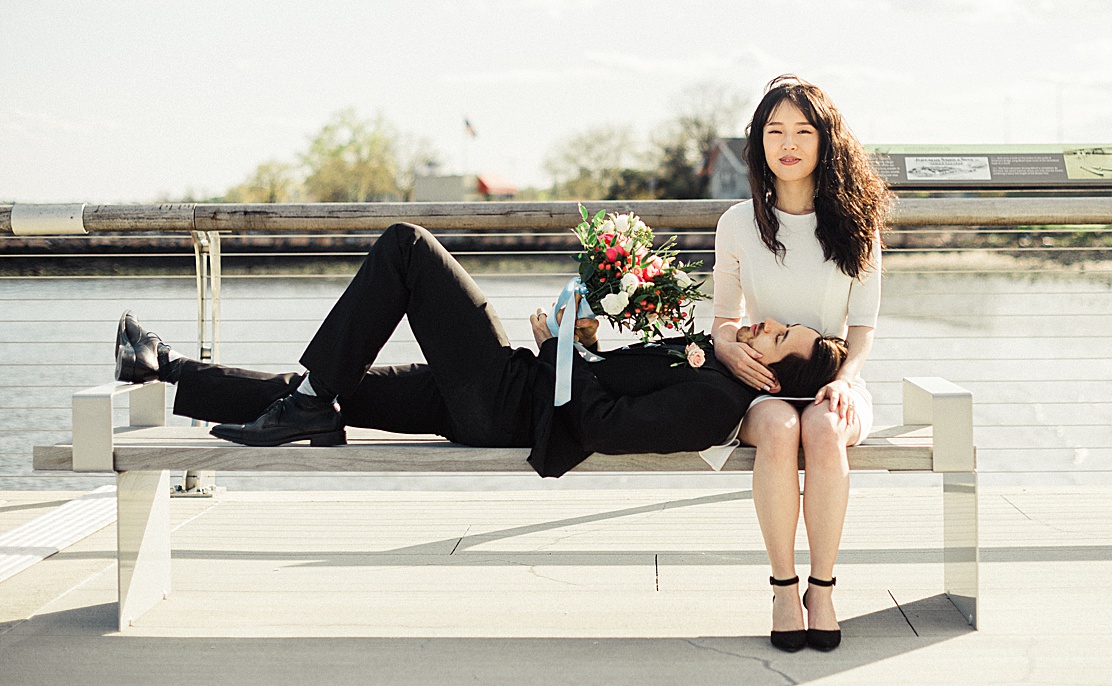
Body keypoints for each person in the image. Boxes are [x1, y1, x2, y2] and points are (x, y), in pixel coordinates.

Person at [115, 221, 846, 479]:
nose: (762, 324)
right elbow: (614, 382)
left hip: (503, 401)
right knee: (331, 388)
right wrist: (587, 340)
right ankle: (165, 369)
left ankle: (308, 401)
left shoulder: (715, 403)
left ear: (772, 377)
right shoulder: (716, 362)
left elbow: (601, 426)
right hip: (499, 393)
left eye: (777, 336)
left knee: (407, 247)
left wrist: (559, 350)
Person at [711, 75, 892, 653]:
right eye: (774, 131)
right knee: (781, 427)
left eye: (802, 131)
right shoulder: (737, 223)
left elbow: (862, 327)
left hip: (836, 378)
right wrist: (728, 350)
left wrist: (844, 382)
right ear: (759, 143)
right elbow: (723, 319)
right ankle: (784, 587)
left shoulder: (858, 222)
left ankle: (823, 588)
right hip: (761, 383)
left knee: (822, 426)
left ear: (825, 140)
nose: (788, 143)